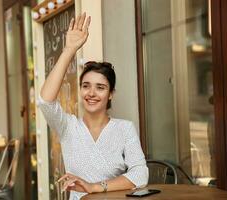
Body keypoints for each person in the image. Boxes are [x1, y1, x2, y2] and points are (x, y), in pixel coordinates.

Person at [38, 13, 148, 199]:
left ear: (111, 93)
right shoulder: (68, 127)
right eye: (86, 86)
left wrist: (94, 187)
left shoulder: (124, 128)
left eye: (100, 88)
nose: (91, 93)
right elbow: (45, 101)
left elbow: (140, 175)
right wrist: (69, 50)